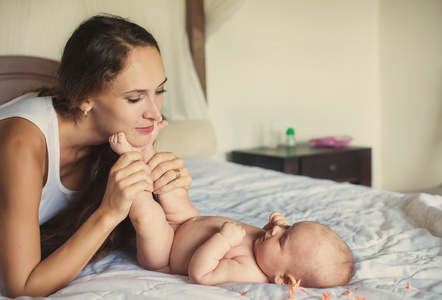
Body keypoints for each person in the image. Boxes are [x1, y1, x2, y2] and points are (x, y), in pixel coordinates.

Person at [0, 14, 193, 297]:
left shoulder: (120, 136)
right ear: (85, 98)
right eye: (135, 98)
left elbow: (164, 245)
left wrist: (175, 195)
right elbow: (21, 288)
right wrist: (108, 212)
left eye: (160, 90)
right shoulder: (22, 144)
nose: (155, 112)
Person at [109, 133, 355, 288]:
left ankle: (130, 160)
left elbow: (201, 274)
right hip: (186, 219)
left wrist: (223, 239)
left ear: (283, 279)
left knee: (148, 216)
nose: (276, 230)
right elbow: (277, 238)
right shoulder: (265, 247)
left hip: (166, 252)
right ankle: (145, 145)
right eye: (287, 228)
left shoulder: (250, 270)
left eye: (282, 239)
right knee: (174, 190)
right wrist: (277, 227)